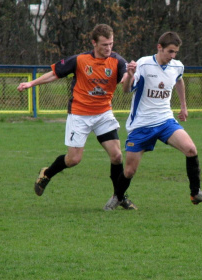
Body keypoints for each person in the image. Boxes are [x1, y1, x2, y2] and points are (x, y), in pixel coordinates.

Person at [17, 24, 137, 210]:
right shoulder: (80, 60)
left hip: (103, 113)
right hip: (79, 115)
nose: (108, 48)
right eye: (104, 44)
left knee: (116, 155)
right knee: (73, 159)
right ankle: (47, 172)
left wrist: (129, 76)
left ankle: (119, 196)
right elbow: (55, 74)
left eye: (111, 44)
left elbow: (125, 85)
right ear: (94, 43)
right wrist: (31, 83)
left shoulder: (118, 61)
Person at [103, 31, 202, 210]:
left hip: (165, 121)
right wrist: (131, 75)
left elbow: (179, 81)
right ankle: (117, 197)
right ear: (159, 47)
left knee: (191, 149)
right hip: (141, 125)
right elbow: (126, 90)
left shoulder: (177, 66)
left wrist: (183, 106)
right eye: (169, 51)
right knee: (130, 170)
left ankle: (196, 193)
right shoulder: (144, 64)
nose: (172, 56)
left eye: (175, 53)